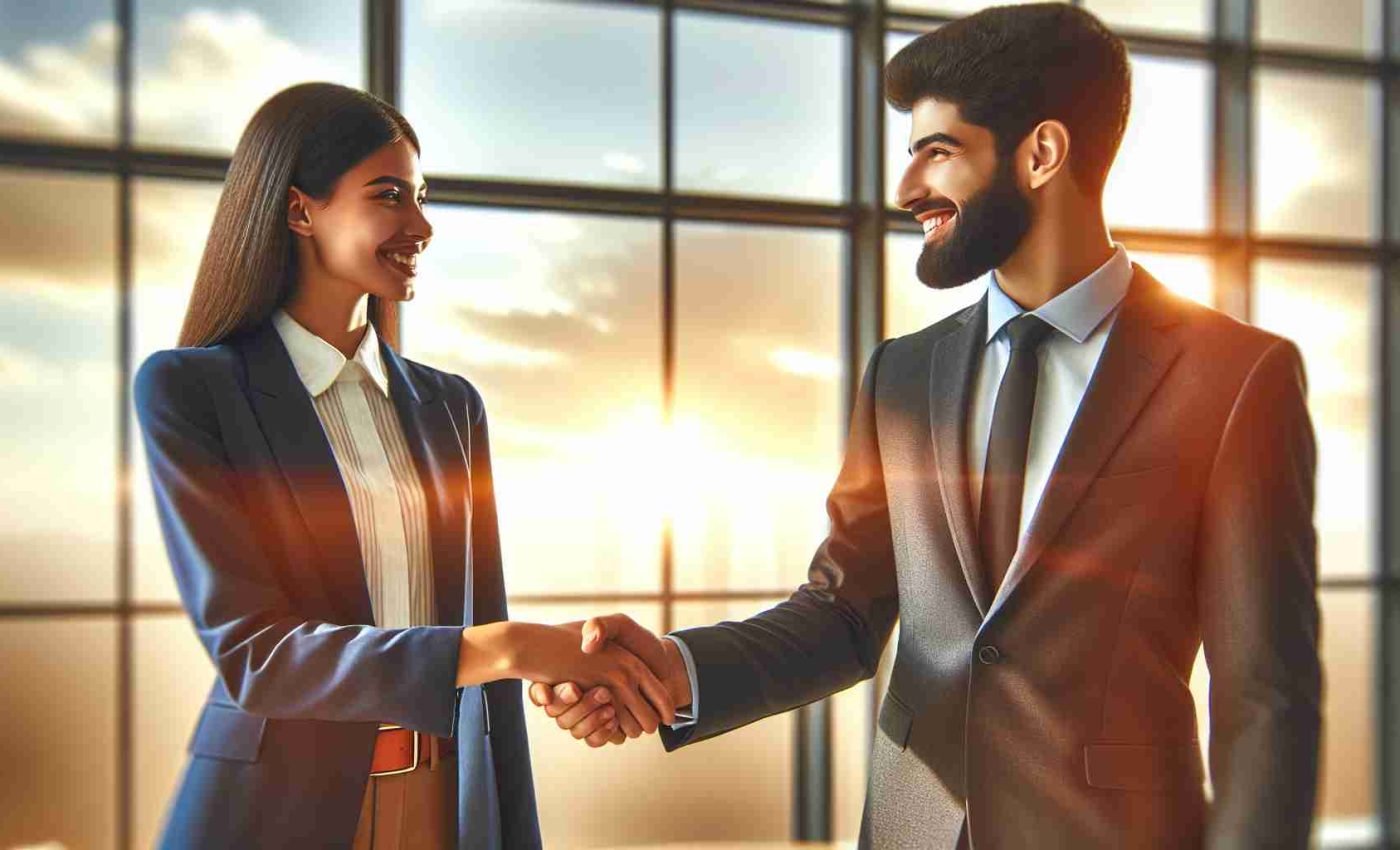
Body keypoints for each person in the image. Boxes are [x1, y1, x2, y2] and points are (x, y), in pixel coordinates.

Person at [529, 5, 1322, 848]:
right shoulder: (902, 375)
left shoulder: (1235, 378)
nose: (907, 190)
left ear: (1041, 153)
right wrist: (668, 671)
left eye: (936, 152)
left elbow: (1266, 696)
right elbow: (841, 617)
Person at [133, 82, 674, 850]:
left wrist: (550, 678)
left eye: (421, 197)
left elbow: (482, 629)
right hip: (270, 812)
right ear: (300, 211)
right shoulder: (190, 390)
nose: (421, 225)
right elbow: (258, 655)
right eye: (390, 196)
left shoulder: (451, 406)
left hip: (441, 800)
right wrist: (516, 648)